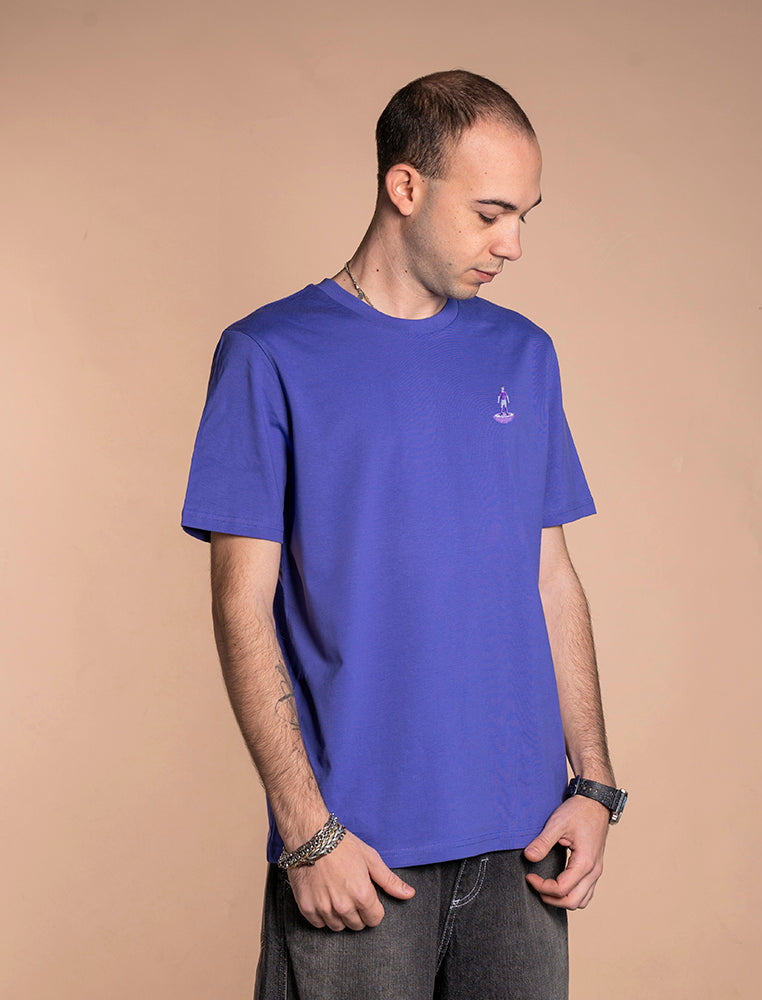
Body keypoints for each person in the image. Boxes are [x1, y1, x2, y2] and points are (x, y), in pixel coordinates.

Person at [182, 69, 626, 1000]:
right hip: (360, 853)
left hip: (525, 849)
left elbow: (550, 578)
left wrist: (592, 786)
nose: (512, 244)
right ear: (405, 187)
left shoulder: (523, 354)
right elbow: (241, 606)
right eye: (490, 214)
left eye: (524, 216)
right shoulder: (268, 354)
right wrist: (306, 831)